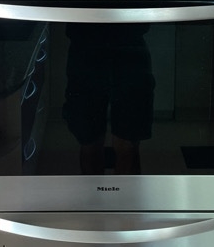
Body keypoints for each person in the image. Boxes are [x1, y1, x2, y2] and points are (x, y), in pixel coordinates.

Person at [62, 23, 155, 175]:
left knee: (127, 141)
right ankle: (97, 191)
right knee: (91, 139)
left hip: (126, 46)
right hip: (89, 47)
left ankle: (121, 191)